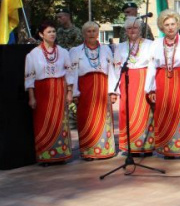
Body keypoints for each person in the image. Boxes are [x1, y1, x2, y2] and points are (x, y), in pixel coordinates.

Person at [146, 10, 180, 158]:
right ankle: (167, 149)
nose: (170, 27)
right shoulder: (156, 44)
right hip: (162, 81)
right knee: (164, 112)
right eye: (166, 25)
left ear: (177, 24)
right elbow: (151, 66)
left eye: (172, 24)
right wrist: (150, 88)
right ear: (162, 27)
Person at [25, 20, 73, 164]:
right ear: (41, 35)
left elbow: (69, 72)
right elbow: (29, 77)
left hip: (59, 88)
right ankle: (45, 156)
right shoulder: (33, 54)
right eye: (49, 32)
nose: (52, 34)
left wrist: (69, 92)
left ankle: (61, 155)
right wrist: (31, 97)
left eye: (54, 31)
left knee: (60, 122)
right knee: (43, 121)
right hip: (42, 90)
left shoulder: (63, 52)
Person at [69, 21, 117, 160]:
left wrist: (112, 92)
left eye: (94, 31)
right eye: (88, 31)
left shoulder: (106, 50)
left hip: (102, 88)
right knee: (86, 119)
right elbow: (72, 73)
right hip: (85, 89)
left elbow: (112, 71)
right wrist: (74, 93)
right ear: (84, 34)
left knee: (104, 119)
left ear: (98, 33)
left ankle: (105, 150)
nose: (91, 34)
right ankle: (88, 151)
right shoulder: (76, 51)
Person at [113, 17, 155, 156]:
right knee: (128, 111)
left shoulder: (150, 44)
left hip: (144, 79)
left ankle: (146, 146)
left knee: (145, 112)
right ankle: (131, 146)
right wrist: (114, 89)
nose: (132, 31)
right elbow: (116, 68)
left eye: (135, 28)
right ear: (125, 31)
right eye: (129, 28)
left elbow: (153, 66)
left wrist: (152, 86)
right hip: (127, 80)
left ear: (140, 29)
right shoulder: (121, 47)